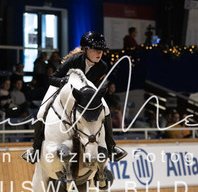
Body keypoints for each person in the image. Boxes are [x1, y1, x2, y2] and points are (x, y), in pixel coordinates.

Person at [22, 31, 126, 164]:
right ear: (85, 50)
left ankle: (111, 147)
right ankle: (35, 149)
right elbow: (52, 78)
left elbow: (94, 86)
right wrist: (64, 81)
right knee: (42, 111)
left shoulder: (102, 67)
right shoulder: (74, 60)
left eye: (101, 50)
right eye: (95, 50)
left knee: (105, 109)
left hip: (85, 95)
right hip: (62, 89)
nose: (99, 53)